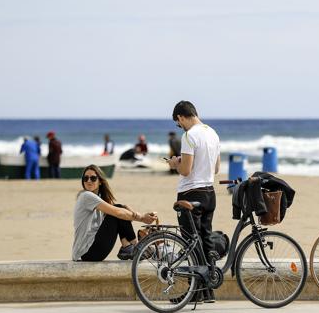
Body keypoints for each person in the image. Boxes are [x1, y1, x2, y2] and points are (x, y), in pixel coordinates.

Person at [167, 100, 220, 303]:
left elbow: (186, 171)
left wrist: (174, 164)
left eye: (178, 122)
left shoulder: (189, 136)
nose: (179, 126)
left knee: (191, 241)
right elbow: (215, 168)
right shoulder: (213, 133)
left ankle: (195, 293)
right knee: (205, 241)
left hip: (190, 193)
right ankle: (208, 292)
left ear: (181, 117)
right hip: (209, 192)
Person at [72, 164, 157, 261]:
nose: (88, 181)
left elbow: (120, 213)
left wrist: (128, 211)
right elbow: (117, 212)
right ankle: (134, 246)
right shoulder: (86, 196)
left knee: (119, 209)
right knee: (117, 211)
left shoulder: (97, 199)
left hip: (92, 250)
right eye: (85, 178)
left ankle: (128, 247)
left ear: (100, 181)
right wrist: (141, 217)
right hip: (86, 253)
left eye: (93, 178)